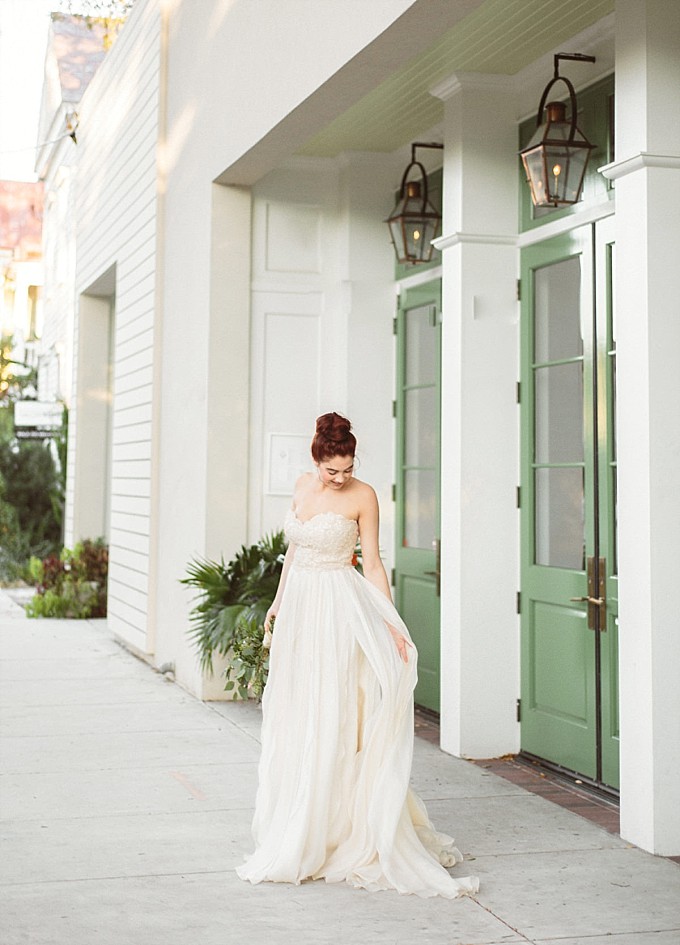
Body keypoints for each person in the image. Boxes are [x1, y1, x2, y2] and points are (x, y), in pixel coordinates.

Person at [237, 413, 478, 899]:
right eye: (333, 471)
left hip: (337, 610)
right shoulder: (303, 487)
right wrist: (278, 605)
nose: (341, 477)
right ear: (317, 459)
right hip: (301, 610)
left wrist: (391, 622)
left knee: (338, 711)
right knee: (299, 714)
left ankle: (340, 830)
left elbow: (372, 561)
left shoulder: (364, 496)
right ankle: (301, 820)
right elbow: (293, 554)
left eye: (347, 469)